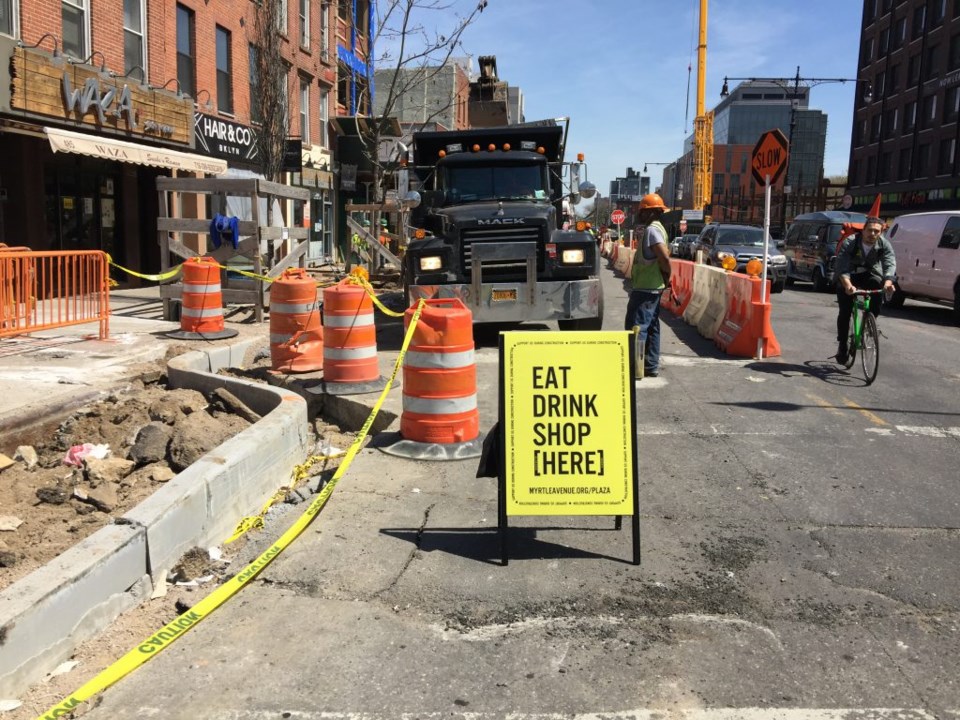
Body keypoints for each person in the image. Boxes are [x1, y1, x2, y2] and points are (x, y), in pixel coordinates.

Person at [833, 216, 897, 364]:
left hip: (870, 274)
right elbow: (842, 265)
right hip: (849, 275)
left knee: (877, 289)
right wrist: (848, 285)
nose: (873, 234)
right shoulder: (850, 242)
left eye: (877, 231)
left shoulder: (884, 244)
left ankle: (869, 323)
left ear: (880, 233)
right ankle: (842, 344)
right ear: (863, 230)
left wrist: (888, 282)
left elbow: (890, 263)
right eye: (870, 230)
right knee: (845, 311)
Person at [625, 193, 672, 378]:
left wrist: (668, 275)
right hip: (651, 286)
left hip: (646, 288)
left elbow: (664, 257)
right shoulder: (659, 228)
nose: (639, 214)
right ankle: (650, 365)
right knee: (651, 326)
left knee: (637, 327)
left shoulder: (652, 230)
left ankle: (637, 368)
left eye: (642, 211)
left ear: (649, 213)